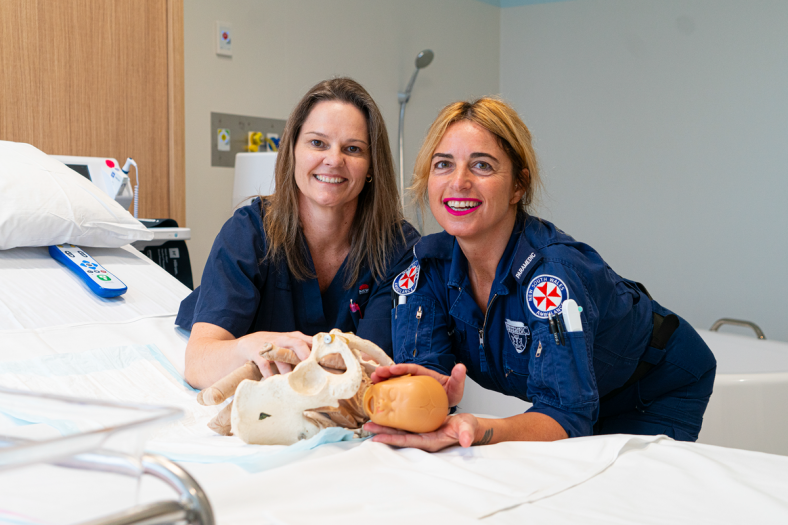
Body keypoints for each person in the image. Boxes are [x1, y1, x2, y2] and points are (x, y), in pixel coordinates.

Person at [365, 97, 716, 451]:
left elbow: (567, 417)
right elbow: (424, 385)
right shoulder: (424, 271)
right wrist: (437, 393)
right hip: (577, 400)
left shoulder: (551, 279)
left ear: (518, 186)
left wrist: (481, 428)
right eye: (443, 164)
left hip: (654, 385)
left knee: (615, 497)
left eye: (482, 166)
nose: (459, 182)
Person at [177, 78, 420, 389]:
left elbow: (369, 369)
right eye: (317, 143)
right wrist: (249, 345)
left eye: (353, 148)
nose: (334, 160)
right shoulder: (248, 234)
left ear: (371, 165)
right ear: (292, 151)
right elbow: (198, 364)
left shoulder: (397, 250)